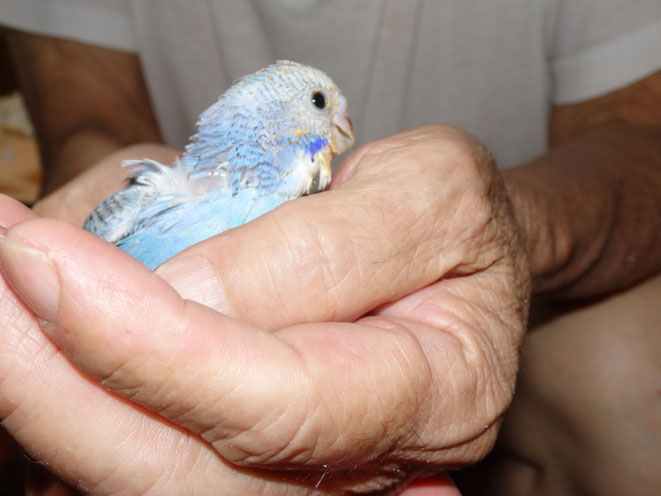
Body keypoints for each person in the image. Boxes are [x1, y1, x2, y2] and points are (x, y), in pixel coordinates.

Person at [0, 1, 660, 494]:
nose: (338, 121)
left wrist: (506, 224)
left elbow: (639, 140)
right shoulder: (162, 195)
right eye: (321, 102)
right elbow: (90, 123)